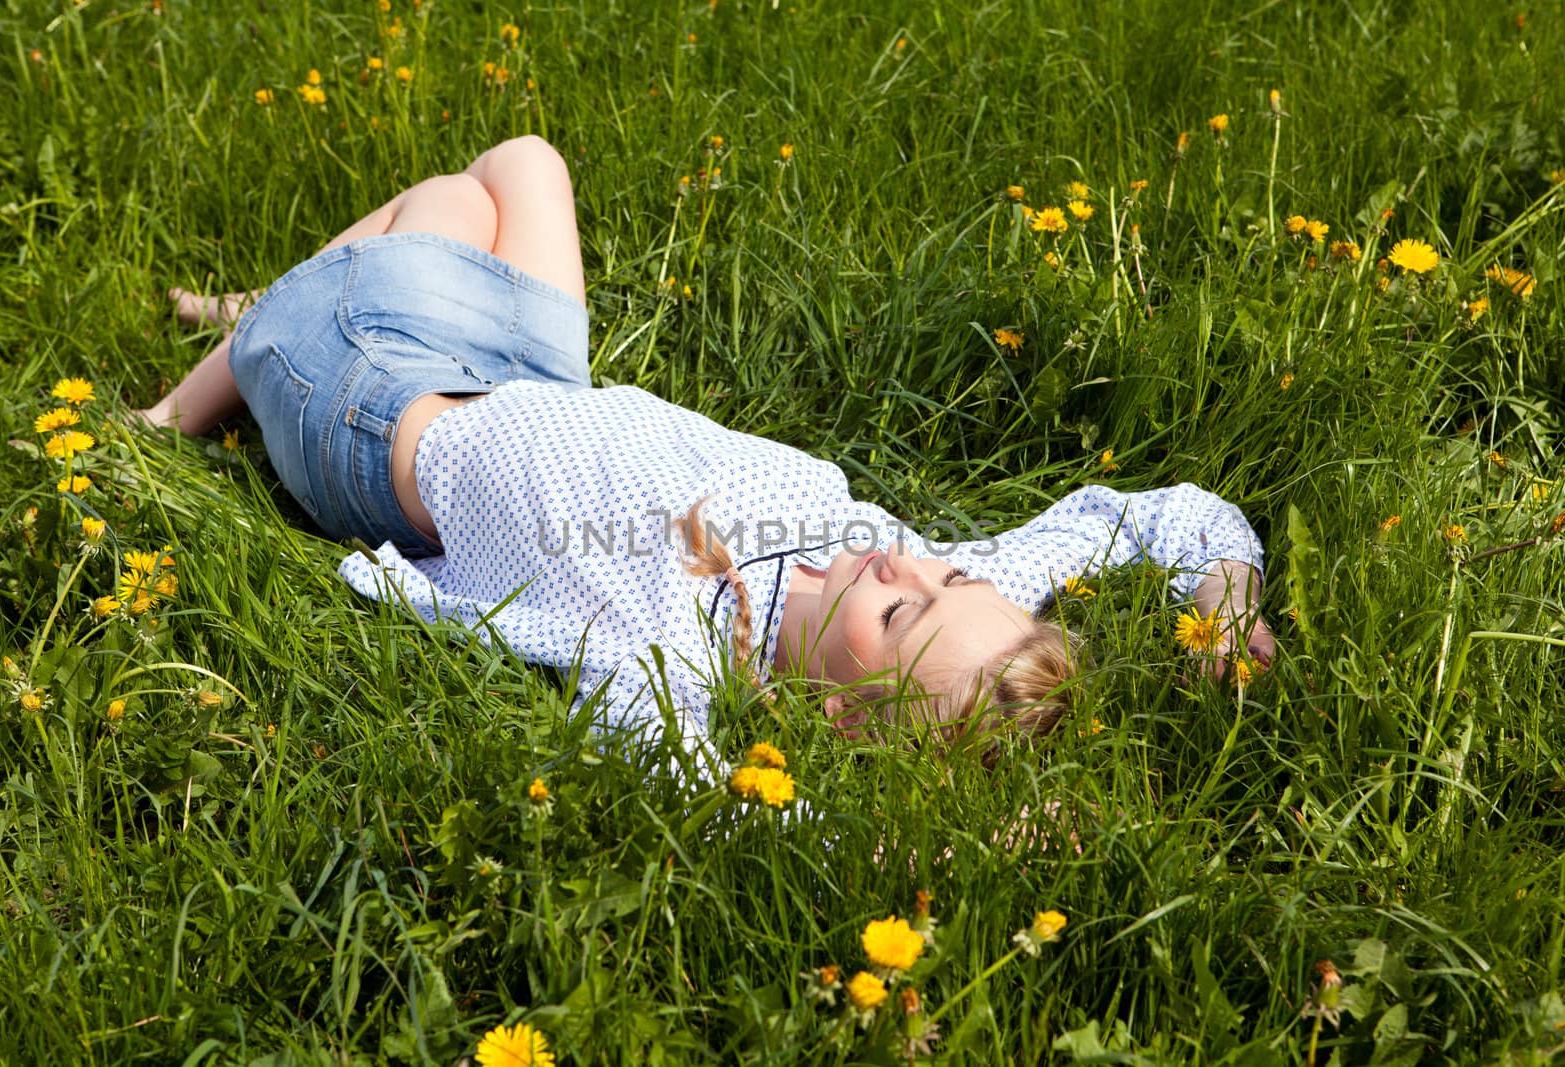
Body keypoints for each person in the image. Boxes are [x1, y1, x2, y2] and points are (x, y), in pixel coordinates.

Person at [145, 136, 1275, 759]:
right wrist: (1223, 600)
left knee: (431, 213)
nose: (905, 562)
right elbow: (1161, 515)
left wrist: (937, 855)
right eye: (950, 572)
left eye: (895, 613)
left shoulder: (672, 662)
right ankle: (293, 299)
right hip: (538, 382)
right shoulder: (942, 587)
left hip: (373, 409)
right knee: (522, 164)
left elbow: (709, 795)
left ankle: (194, 394)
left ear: (834, 714)